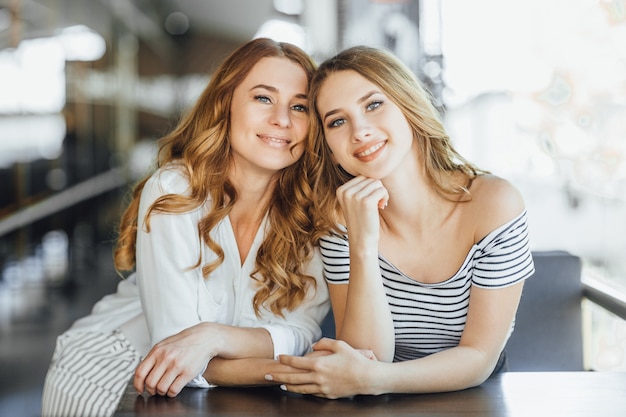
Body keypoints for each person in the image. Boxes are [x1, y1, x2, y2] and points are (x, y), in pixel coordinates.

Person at [41, 37, 330, 417]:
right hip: (105, 376)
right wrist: (306, 372)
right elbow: (177, 353)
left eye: (300, 107)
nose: (283, 120)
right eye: (263, 98)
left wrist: (213, 337)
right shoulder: (177, 191)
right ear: (225, 104)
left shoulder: (314, 211)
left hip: (220, 396)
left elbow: (301, 331)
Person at [264, 45, 535, 398]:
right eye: (337, 121)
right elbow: (367, 356)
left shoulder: (494, 204)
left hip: (475, 396)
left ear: (407, 105)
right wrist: (362, 245)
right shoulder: (338, 217)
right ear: (329, 145)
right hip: (380, 400)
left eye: (373, 105)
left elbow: (480, 356)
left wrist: (374, 379)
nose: (359, 131)